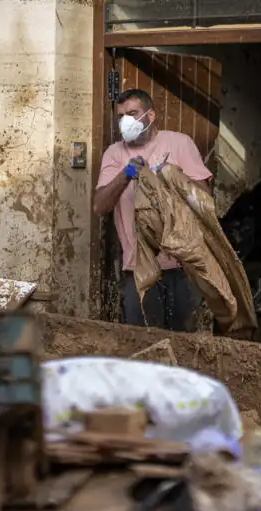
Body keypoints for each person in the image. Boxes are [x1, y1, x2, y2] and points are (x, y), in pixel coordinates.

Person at [93, 89, 213, 331]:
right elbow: (100, 206)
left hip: (183, 268)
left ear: (150, 115)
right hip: (138, 271)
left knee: (184, 342)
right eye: (121, 116)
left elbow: (205, 199)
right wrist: (126, 174)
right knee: (143, 341)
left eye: (132, 113)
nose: (126, 121)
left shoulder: (179, 144)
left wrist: (173, 176)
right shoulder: (115, 154)